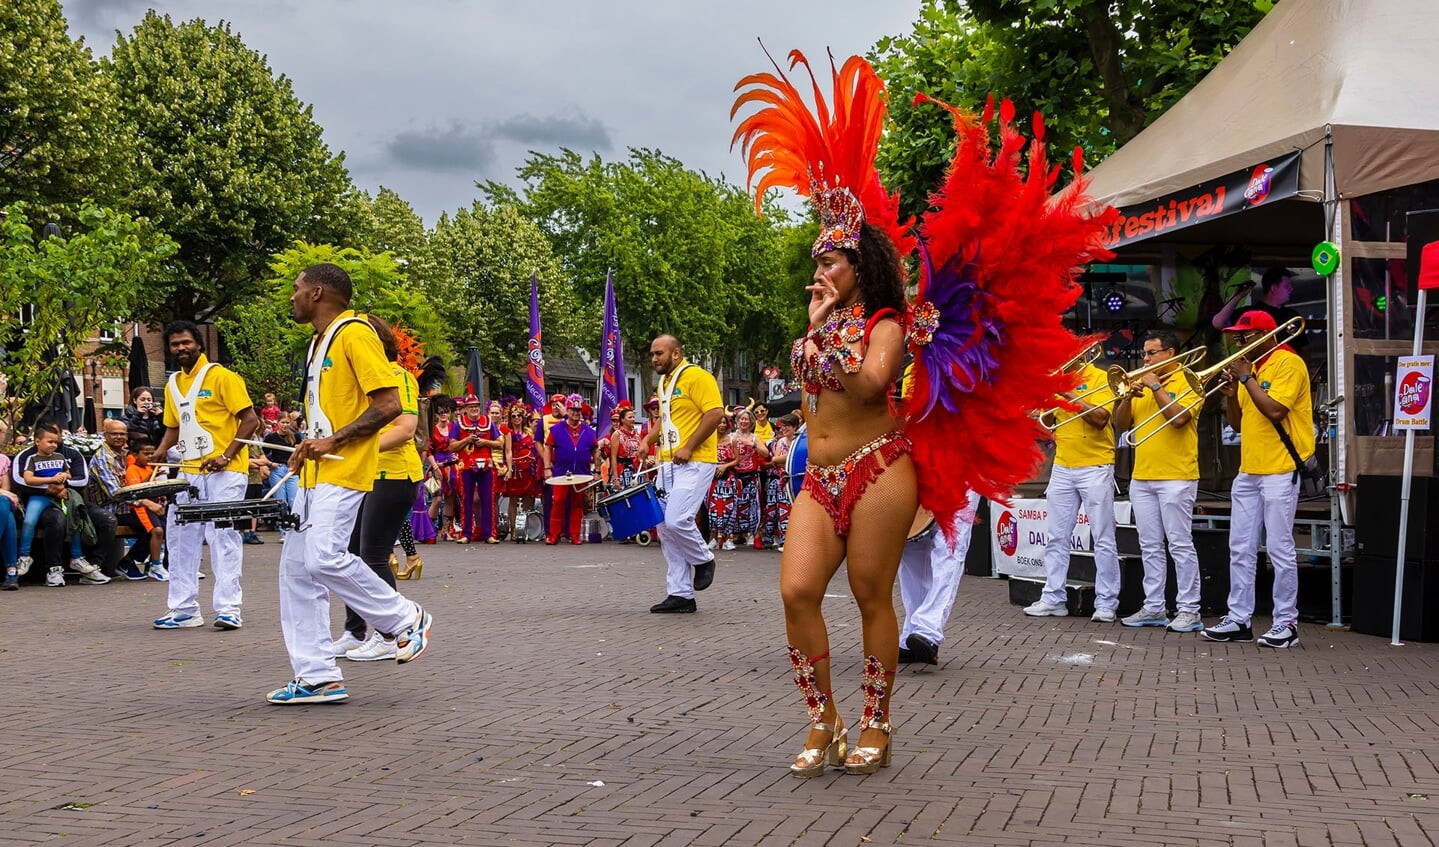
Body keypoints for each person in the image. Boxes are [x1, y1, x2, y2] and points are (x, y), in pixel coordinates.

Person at [269, 262, 432, 704]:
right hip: (317, 473)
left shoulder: (354, 333)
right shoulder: (319, 343)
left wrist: (333, 441)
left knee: (323, 559)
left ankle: (404, 618)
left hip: (345, 469)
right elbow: (330, 416)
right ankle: (318, 675)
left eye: (297, 288)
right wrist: (308, 444)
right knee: (297, 574)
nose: (293, 296)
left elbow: (389, 404)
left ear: (318, 292)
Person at [1202, 311, 1313, 648]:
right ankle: (1238, 618)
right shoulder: (1253, 369)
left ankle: (1286, 622)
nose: (1238, 342)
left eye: (1245, 335)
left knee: (1280, 548)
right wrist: (1232, 393)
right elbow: (1237, 424)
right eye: (1237, 336)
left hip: (1280, 467)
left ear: (1266, 334)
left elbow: (1276, 410)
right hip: (1249, 469)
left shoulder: (1287, 363)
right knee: (1240, 548)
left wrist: (1247, 377)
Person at [151, 320, 259, 631]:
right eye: (175, 345)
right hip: (188, 470)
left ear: (199, 344)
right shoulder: (172, 385)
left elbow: (249, 420)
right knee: (180, 535)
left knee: (222, 536)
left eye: (186, 342)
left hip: (225, 471)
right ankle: (184, 609)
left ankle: (228, 609)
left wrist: (227, 454)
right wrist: (161, 451)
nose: (181, 348)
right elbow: (174, 427)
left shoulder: (222, 377)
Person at [332, 315, 427, 662]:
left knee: (372, 554)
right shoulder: (361, 382)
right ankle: (354, 631)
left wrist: (354, 447)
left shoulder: (399, 378)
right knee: (350, 556)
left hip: (395, 475)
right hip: (366, 476)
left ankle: (392, 633)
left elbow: (405, 428)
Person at [1112, 330, 1203, 632]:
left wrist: (1155, 387)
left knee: (1179, 543)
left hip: (1177, 476)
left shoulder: (1189, 380)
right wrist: (1127, 397)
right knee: (1149, 545)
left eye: (1152, 353)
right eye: (1145, 354)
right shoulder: (1144, 385)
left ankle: (1190, 609)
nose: (1145, 359)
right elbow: (1121, 425)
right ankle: (1154, 606)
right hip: (1143, 476)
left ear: (1170, 353)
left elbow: (1180, 419)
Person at [1024, 357, 1121, 621]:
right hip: (1063, 465)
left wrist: (1066, 392)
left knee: (1103, 537)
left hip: (1096, 465)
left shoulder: (1101, 378)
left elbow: (1101, 419)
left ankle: (1106, 602)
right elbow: (1044, 418)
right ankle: (1054, 598)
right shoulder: (1057, 377)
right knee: (1056, 537)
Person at [641, 335, 723, 613]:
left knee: (677, 519)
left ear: (676, 353)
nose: (654, 359)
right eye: (652, 354)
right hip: (667, 463)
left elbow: (715, 414)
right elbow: (666, 421)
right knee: (664, 528)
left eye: (659, 353)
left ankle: (704, 559)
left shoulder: (697, 376)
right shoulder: (665, 383)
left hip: (696, 460)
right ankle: (681, 594)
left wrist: (689, 446)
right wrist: (647, 441)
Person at [11, 420, 109, 586]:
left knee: (78, 519)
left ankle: (78, 558)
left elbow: (77, 477)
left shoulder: (65, 455)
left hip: (64, 495)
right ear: (37, 440)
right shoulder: (29, 457)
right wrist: (49, 484)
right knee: (39, 521)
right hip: (39, 497)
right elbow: (22, 479)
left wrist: (64, 482)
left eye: (56, 440)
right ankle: (26, 557)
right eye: (50, 441)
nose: (54, 444)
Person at [897, 495, 977, 665]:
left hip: (962, 474)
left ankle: (928, 630)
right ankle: (913, 633)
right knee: (911, 546)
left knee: (949, 547)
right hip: (919, 471)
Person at [90, 418, 148, 580]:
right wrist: (144, 501)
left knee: (161, 522)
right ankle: (97, 565)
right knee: (152, 526)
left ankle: (145, 563)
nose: (119, 437)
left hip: (129, 507)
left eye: (122, 434)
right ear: (105, 435)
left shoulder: (127, 455)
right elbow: (115, 493)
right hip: (110, 509)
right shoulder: (102, 458)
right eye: (114, 433)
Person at [1210, 267, 1308, 356]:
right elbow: (1218, 323)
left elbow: (1304, 347)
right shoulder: (1250, 313)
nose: (1291, 289)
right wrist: (1237, 296)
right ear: (1273, 288)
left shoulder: (1292, 315)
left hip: (1287, 368)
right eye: (1286, 286)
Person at [542, 394, 599, 545]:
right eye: (573, 410)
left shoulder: (589, 431)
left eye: (578, 410)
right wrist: (547, 467)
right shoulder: (556, 429)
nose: (576, 413)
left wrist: (597, 470)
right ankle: (554, 534)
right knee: (558, 501)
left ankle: (574, 535)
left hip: (582, 472)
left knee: (577, 503)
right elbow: (547, 447)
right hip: (561, 472)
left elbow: (595, 450)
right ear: (567, 410)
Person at [453, 395, 502, 543]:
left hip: (486, 466)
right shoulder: (458, 424)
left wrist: (485, 442)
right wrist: (467, 440)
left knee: (488, 500)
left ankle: (489, 534)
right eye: (471, 406)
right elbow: (451, 446)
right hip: (466, 465)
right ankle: (466, 533)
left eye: (476, 406)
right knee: (466, 500)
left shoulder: (488, 422)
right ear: (466, 409)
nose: (474, 409)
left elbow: (500, 443)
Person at [119, 434, 168, 578]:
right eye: (146, 454)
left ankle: (154, 563)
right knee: (157, 531)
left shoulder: (150, 468)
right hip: (139, 508)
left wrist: (162, 497)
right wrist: (151, 476)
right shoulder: (133, 469)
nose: (150, 457)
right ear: (135, 455)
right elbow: (135, 492)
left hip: (152, 506)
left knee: (167, 530)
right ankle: (155, 565)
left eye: (152, 453)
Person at [499, 402, 540, 542]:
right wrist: (509, 468)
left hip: (529, 468)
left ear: (523, 417)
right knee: (513, 498)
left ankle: (526, 526)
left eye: (519, 415)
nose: (516, 418)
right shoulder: (508, 433)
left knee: (529, 497)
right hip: (515, 469)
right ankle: (514, 529)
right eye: (513, 416)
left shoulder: (529, 432)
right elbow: (507, 451)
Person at [730, 407, 770, 549]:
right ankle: (735, 535)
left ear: (751, 422)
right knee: (735, 506)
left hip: (752, 476)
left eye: (746, 419)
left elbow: (766, 453)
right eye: (741, 419)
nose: (744, 421)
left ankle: (755, 535)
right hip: (735, 476)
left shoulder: (755, 437)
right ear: (737, 421)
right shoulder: (731, 437)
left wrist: (752, 445)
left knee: (755, 506)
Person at [706, 414, 738, 551]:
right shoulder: (708, 440)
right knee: (712, 509)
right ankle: (713, 538)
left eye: (724, 422)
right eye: (719, 422)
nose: (722, 425)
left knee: (729, 509)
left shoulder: (732, 440)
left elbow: (737, 460)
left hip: (728, 478)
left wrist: (725, 466)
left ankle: (728, 539)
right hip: (711, 478)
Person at [607, 401, 644, 491]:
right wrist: (616, 478)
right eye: (630, 417)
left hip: (636, 471)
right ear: (622, 420)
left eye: (633, 417)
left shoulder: (636, 435)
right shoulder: (617, 434)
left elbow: (641, 455)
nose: (633, 419)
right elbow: (613, 457)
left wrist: (645, 475)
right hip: (623, 472)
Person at [1, 449, 21, 589]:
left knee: (4, 505)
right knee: (6, 513)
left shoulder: (2, 459)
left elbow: (6, 489)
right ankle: (11, 572)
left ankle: (12, 572)